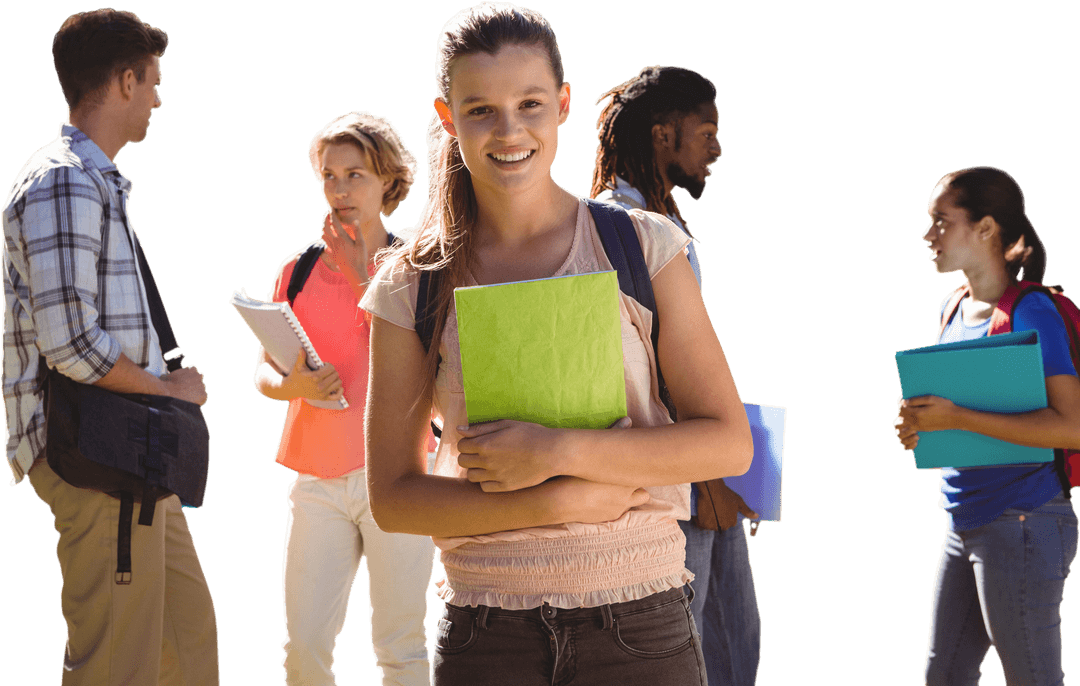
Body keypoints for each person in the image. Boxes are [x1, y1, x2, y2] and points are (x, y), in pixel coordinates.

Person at [359, 3, 753, 685]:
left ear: (564, 104)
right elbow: (393, 497)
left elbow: (727, 441)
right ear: (447, 116)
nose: (509, 130)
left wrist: (560, 453)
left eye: (530, 104)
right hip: (487, 636)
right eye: (480, 109)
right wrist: (553, 501)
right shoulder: (410, 285)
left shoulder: (643, 246)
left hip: (641, 625)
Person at [1, 9, 219, 685]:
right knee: (117, 667)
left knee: (186, 644)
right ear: (124, 81)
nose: (159, 95)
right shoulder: (64, 180)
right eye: (152, 80)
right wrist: (169, 389)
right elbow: (71, 345)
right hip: (96, 457)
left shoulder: (92, 183)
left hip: (129, 456)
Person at [591, 65, 761, 686]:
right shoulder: (618, 227)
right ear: (663, 135)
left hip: (703, 465)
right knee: (679, 652)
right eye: (707, 131)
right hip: (670, 476)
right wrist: (702, 463)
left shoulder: (666, 223)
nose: (717, 147)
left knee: (732, 650)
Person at [252, 111, 436, 686]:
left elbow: (433, 367)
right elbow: (266, 367)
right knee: (303, 649)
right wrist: (293, 386)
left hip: (402, 475)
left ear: (388, 181)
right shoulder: (298, 268)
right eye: (328, 176)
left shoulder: (420, 263)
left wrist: (363, 275)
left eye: (354, 174)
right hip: (318, 481)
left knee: (401, 651)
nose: (338, 189)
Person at [893, 166, 1080, 686]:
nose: (928, 235)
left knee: (1032, 677)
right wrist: (917, 423)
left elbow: (1074, 425)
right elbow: (953, 400)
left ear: (986, 229)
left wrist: (958, 417)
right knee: (945, 674)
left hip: (1023, 520)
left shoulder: (1033, 310)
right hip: (964, 517)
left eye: (940, 221)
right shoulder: (951, 306)